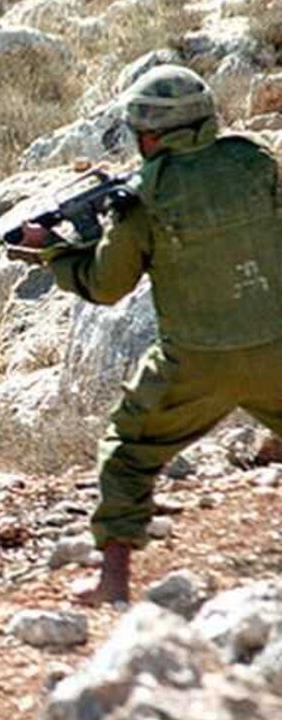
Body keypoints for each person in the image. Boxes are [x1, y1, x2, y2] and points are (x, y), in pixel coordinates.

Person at [16, 65, 282, 606]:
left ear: (152, 135)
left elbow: (106, 285)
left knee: (128, 451)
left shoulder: (140, 200)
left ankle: (111, 583)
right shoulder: (257, 163)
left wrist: (52, 251)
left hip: (193, 365)